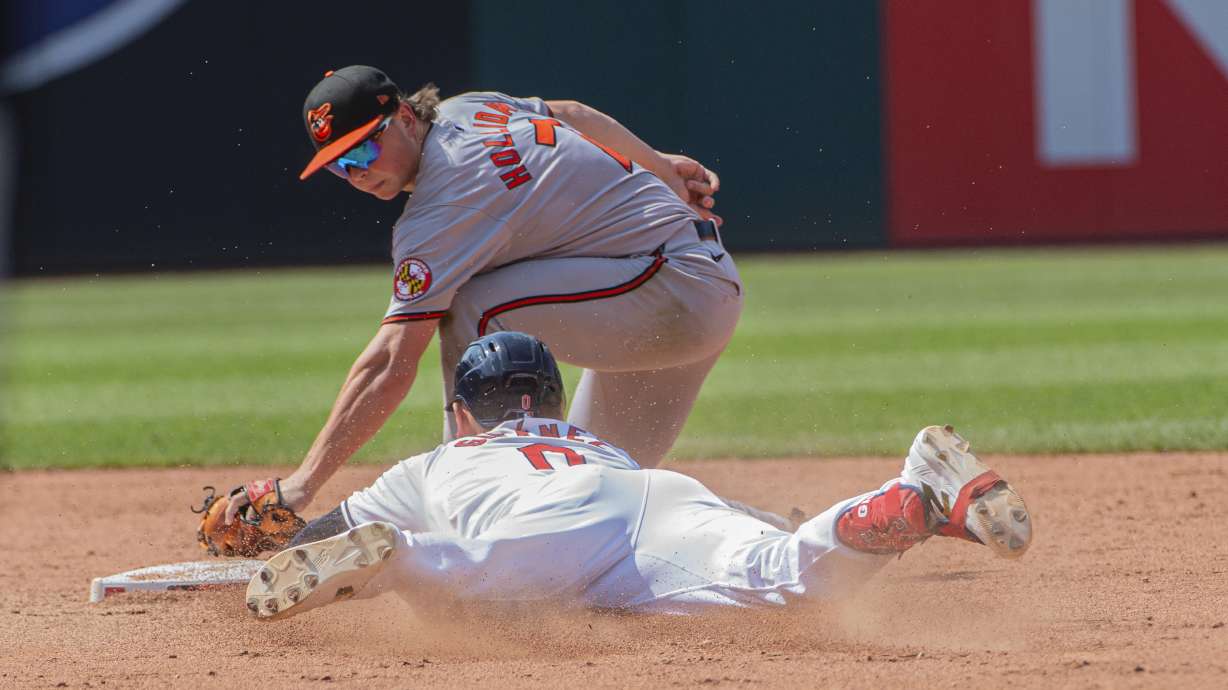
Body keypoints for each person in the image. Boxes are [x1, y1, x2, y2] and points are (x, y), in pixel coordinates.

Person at [228, 65, 744, 523]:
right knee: (597, 494)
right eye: (340, 165)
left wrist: (302, 483)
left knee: (472, 304)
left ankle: (469, 485)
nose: (358, 172)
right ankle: (763, 532)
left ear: (406, 117)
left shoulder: (442, 205)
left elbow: (389, 364)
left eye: (365, 146)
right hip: (676, 291)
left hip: (670, 289)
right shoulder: (469, 107)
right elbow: (571, 112)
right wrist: (659, 168)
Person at [245, 332, 1033, 620]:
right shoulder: (593, 443)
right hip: (662, 491)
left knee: (465, 589)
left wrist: (274, 549)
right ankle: (911, 498)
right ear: (550, 400)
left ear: (461, 414)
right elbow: (722, 507)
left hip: (554, 530)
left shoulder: (440, 459)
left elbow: (326, 533)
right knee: (792, 574)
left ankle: (405, 558)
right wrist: (767, 516)